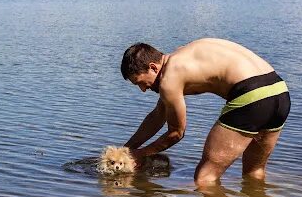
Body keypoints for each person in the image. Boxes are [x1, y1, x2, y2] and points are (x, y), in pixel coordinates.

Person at [121, 38, 290, 186]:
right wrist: (126, 149)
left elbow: (176, 133)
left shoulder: (169, 79)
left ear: (153, 67)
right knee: (254, 173)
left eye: (140, 82)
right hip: (279, 92)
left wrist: (141, 154)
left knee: (204, 179)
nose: (143, 89)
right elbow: (158, 116)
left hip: (252, 96)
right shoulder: (180, 58)